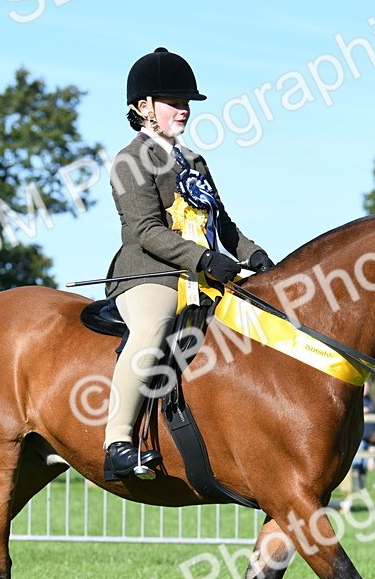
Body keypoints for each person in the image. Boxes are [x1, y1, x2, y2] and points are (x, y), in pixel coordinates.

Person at [102, 47, 273, 481]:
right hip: (149, 274)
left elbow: (223, 223)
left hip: (203, 274)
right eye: (174, 104)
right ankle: (118, 442)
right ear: (144, 108)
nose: (184, 112)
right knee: (152, 329)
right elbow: (145, 231)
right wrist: (205, 259)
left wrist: (254, 255)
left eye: (187, 105)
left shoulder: (194, 161)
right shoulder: (128, 160)